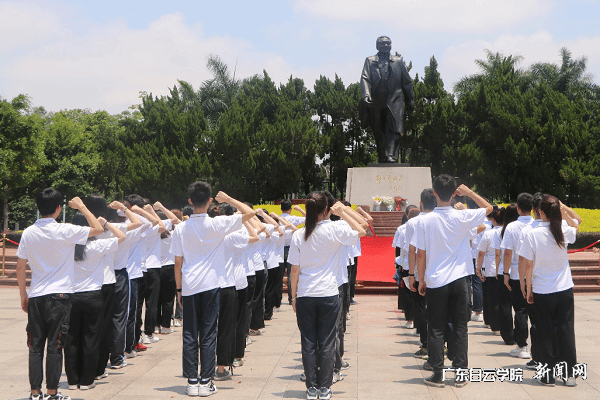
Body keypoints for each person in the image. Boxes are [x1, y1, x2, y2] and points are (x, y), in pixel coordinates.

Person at [17, 189, 103, 400]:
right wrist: (82, 207)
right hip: (60, 296)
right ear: (58, 208)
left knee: (35, 346)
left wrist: (23, 295)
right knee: (55, 347)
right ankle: (52, 392)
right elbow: (98, 228)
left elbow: (20, 266)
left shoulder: (28, 232)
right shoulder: (65, 230)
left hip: (37, 295)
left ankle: (35, 393)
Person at [171, 182, 255, 397]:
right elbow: (250, 213)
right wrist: (228, 200)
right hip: (211, 286)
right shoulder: (218, 224)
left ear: (190, 201)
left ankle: (192, 381)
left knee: (190, 334)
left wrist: (179, 289)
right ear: (209, 201)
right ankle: (206, 381)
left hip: (189, 286)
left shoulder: (181, 228)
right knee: (209, 334)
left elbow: (178, 263)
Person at [414, 175, 492, 388]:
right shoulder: (462, 216)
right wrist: (469, 193)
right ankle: (460, 373)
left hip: (436, 280)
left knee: (436, 328)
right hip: (460, 280)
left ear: (435, 193)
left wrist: (421, 279)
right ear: (454, 193)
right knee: (460, 327)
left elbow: (421, 254)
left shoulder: (424, 220)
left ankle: (438, 373)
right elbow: (489, 208)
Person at [289, 192, 366, 400]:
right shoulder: (335, 229)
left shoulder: (299, 234)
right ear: (326, 209)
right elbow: (362, 230)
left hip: (305, 294)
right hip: (328, 293)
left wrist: (293, 297)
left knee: (308, 342)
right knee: (327, 342)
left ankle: (311, 387)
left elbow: (294, 270)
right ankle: (324, 387)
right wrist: (344, 212)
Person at [521, 195, 581, 386]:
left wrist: (528, 288)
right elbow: (576, 224)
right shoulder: (563, 229)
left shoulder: (532, 234)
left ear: (540, 211)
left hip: (542, 290)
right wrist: (563, 210)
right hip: (564, 289)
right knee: (566, 330)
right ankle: (570, 375)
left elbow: (528, 265)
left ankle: (547, 376)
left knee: (544, 332)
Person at [64, 211, 126, 390]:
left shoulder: (67, 247)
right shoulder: (97, 246)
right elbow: (122, 237)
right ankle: (86, 381)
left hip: (72, 297)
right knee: (91, 338)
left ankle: (72, 380)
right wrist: (105, 224)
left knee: (72, 339)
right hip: (93, 297)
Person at [359, 35, 414, 163]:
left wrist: (410, 100)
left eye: (388, 44)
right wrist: (366, 95)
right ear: (377, 46)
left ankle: (391, 155)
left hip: (395, 100)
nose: (386, 46)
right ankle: (382, 155)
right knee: (378, 129)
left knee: (395, 127)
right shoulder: (370, 61)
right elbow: (365, 78)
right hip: (376, 101)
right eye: (383, 43)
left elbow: (407, 82)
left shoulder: (398, 61)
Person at [501, 193, 533, 359]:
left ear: (518, 208)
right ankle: (539, 346)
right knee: (536, 312)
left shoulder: (512, 227)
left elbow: (507, 252)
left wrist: (505, 273)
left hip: (516, 273)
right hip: (535, 274)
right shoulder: (537, 224)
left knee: (520, 310)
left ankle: (522, 346)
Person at [407, 189, 437, 359]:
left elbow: (413, 251)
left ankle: (426, 345)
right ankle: (441, 346)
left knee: (422, 309)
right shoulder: (443, 219)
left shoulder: (414, 222)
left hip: (423, 273)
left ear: (421, 203)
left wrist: (413, 274)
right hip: (442, 273)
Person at [476, 207, 504, 336]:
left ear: (493, 220)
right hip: (504, 269)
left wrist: (478, 269)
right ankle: (503, 325)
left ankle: (493, 324)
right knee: (503, 299)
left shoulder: (488, 233)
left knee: (490, 298)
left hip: (490, 269)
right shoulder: (506, 232)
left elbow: (481, 253)